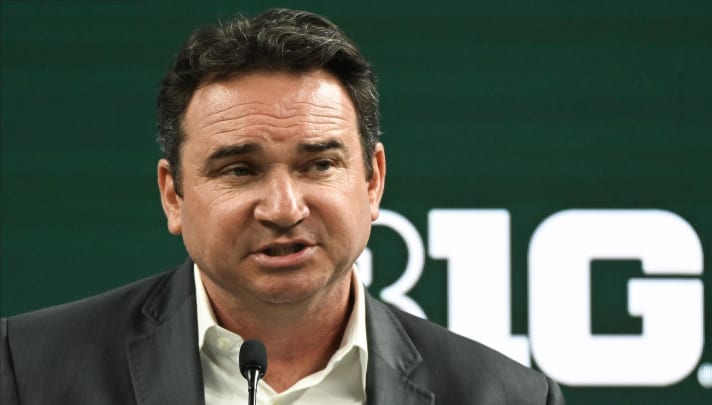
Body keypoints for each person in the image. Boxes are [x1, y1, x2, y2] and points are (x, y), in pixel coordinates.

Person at [1, 8, 564, 404]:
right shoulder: (26, 370)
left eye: (318, 165)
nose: (283, 207)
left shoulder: (507, 397)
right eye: (239, 170)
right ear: (174, 195)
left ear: (372, 181)